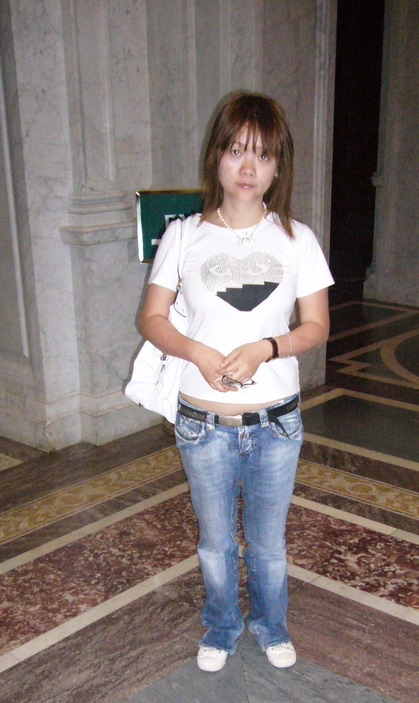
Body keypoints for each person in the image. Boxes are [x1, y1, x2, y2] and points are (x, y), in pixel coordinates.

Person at [138, 92, 333, 672]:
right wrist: (196, 352)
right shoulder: (184, 235)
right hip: (202, 423)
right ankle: (222, 625)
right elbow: (150, 318)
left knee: (269, 546)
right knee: (216, 544)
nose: (249, 168)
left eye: (264, 155)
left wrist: (266, 348)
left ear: (279, 166)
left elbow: (317, 326)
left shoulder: (297, 238)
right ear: (216, 157)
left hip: (276, 420)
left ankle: (271, 625)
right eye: (236, 151)